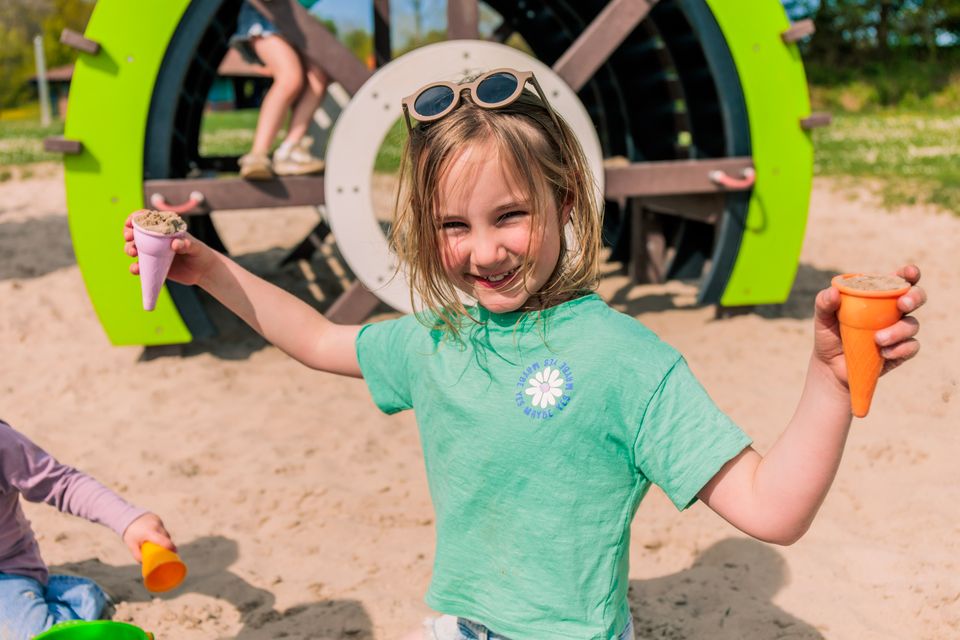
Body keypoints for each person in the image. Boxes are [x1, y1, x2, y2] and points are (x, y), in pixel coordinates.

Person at [122, 68, 925, 640]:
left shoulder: (625, 362)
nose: (483, 251)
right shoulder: (440, 337)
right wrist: (208, 267)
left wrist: (828, 376)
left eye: (511, 215)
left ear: (564, 200)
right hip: (458, 624)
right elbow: (317, 339)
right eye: (453, 226)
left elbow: (773, 509)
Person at [0, 419, 177, 640]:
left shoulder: (3, 444)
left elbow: (62, 484)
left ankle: (77, 600)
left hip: (7, 570)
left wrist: (128, 521)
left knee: (26, 635)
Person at [230, 0, 327, 180]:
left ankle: (290, 149)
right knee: (290, 78)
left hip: (296, 22)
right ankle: (257, 154)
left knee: (318, 78)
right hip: (264, 19)